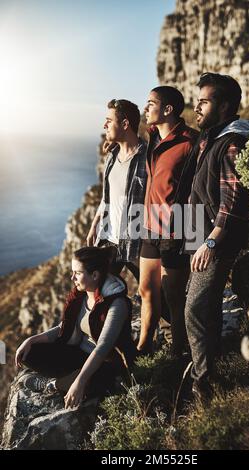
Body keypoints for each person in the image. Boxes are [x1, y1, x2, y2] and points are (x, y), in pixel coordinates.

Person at [184, 72, 249, 400]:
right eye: (197, 101)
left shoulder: (230, 143)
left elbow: (234, 199)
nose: (197, 107)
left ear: (225, 105)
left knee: (195, 309)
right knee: (208, 305)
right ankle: (211, 364)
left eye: (204, 101)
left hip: (213, 240)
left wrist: (211, 241)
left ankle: (205, 385)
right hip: (199, 236)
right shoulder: (212, 137)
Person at [15, 246, 136, 408]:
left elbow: (103, 348)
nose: (72, 277)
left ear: (95, 275)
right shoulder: (81, 295)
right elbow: (63, 327)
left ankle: (54, 385)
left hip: (106, 364)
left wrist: (80, 381)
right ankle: (66, 381)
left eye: (77, 273)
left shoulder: (116, 304)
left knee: (96, 381)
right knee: (28, 353)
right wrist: (31, 340)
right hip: (79, 356)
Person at [137, 86, 199, 356]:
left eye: (151, 103)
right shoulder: (151, 137)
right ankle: (143, 347)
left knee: (174, 295)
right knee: (146, 289)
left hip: (178, 226)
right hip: (148, 222)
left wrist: (196, 234)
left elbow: (200, 189)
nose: (146, 108)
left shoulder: (191, 142)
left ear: (168, 109)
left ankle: (179, 351)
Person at [86, 99, 147, 283]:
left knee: (156, 296)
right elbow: (107, 198)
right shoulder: (111, 157)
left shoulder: (147, 157)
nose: (104, 125)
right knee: (99, 290)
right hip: (110, 239)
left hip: (137, 242)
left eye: (109, 120)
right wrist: (94, 225)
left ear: (125, 124)